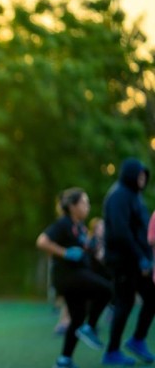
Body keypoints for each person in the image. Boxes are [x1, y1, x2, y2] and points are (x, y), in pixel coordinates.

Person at [36, 187, 113, 368]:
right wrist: (64, 252)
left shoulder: (80, 227)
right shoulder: (64, 223)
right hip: (68, 276)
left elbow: (86, 249)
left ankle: (64, 360)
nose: (87, 206)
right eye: (84, 203)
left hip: (76, 277)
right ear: (72, 206)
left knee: (77, 317)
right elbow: (42, 241)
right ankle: (90, 326)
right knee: (107, 289)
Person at [102, 157, 155, 366]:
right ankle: (112, 351)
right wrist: (140, 257)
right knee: (124, 303)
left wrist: (147, 257)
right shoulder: (118, 196)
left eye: (144, 175)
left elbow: (141, 230)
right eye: (139, 175)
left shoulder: (135, 197)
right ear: (130, 174)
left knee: (152, 297)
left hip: (138, 260)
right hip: (123, 260)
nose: (142, 179)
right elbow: (120, 232)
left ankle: (137, 340)